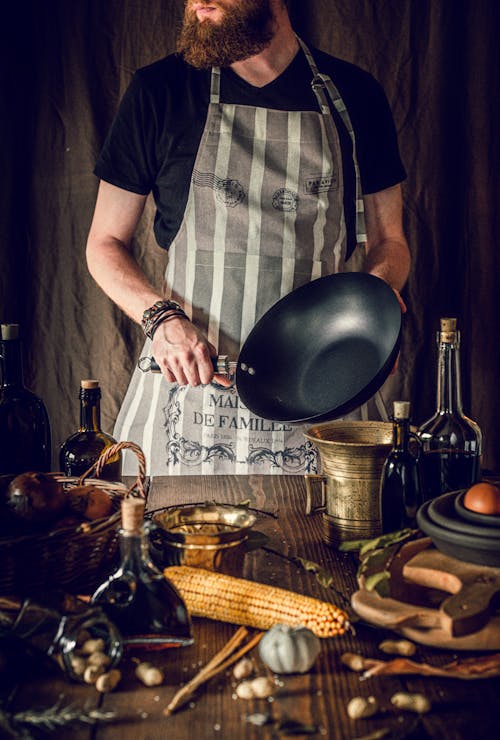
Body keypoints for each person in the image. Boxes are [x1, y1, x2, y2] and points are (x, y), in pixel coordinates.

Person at [86, 0, 410, 476]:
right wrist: (162, 322)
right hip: (189, 396)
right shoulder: (160, 91)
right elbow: (104, 243)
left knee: (325, 548)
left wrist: (376, 307)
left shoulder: (355, 96)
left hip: (321, 392)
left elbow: (391, 242)